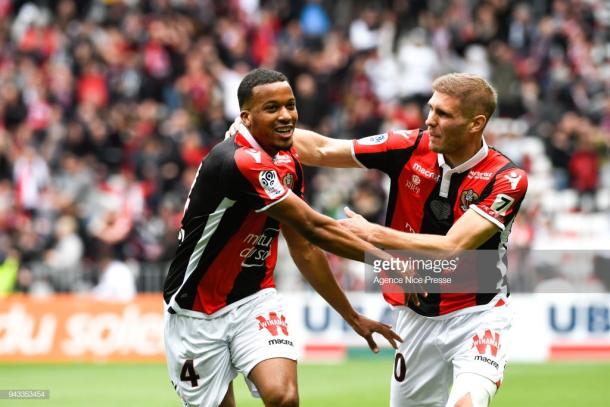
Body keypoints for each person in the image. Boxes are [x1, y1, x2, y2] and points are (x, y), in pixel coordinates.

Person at [162, 68, 401, 407]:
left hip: (254, 299)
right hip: (194, 312)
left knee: (284, 397)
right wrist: (392, 263)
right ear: (246, 116)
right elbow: (315, 227)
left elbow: (304, 245)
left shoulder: (287, 159)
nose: (287, 115)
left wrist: (352, 316)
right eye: (272, 108)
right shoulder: (238, 160)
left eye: (290, 105)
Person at [288, 73, 529, 407]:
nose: (430, 120)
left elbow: (453, 246)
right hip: (414, 318)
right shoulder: (408, 146)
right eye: (431, 109)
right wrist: (254, 135)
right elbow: (322, 148)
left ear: (476, 124)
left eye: (443, 114)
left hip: (478, 316)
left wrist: (372, 232)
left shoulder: (507, 178)